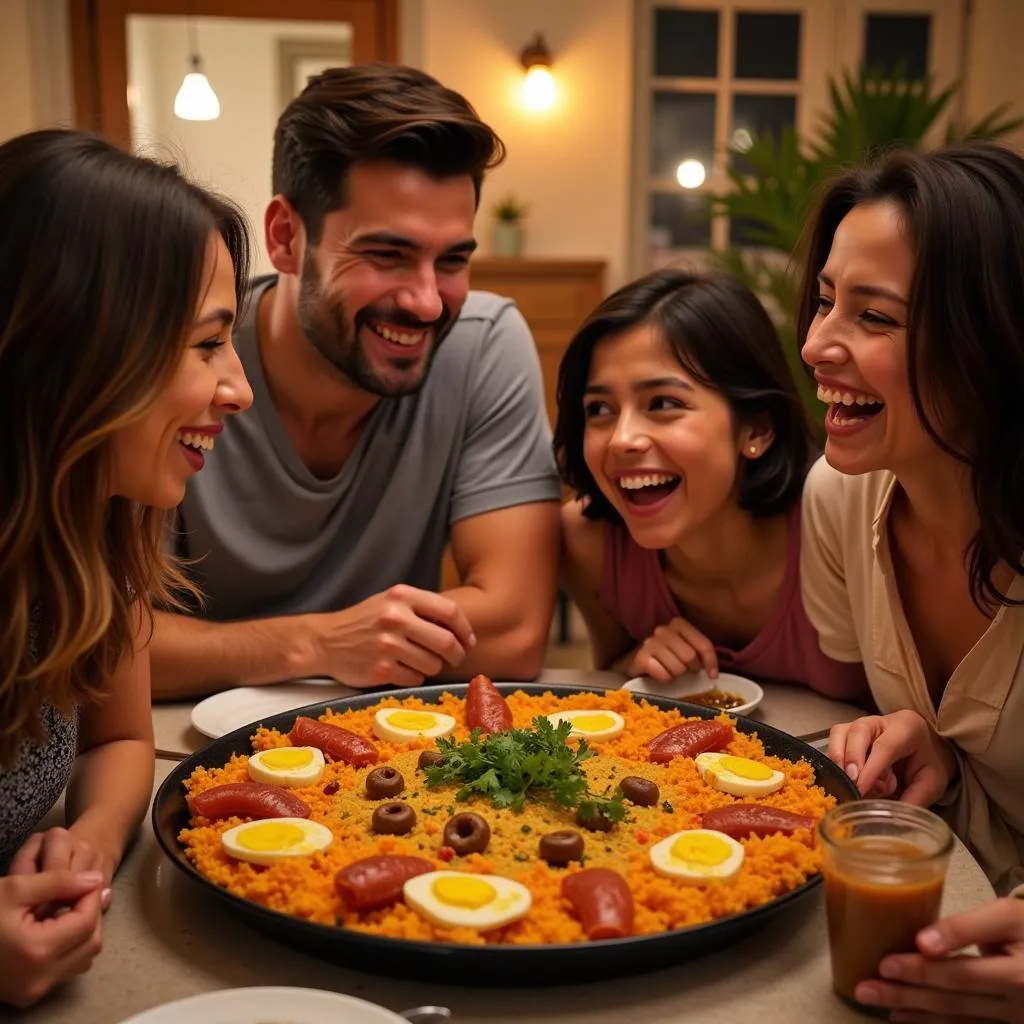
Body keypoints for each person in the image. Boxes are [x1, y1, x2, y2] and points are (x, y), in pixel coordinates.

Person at [150, 63, 561, 700]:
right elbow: (109, 646)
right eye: (387, 255)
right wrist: (317, 643)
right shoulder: (190, 360)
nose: (428, 303)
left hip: (390, 756)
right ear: (286, 237)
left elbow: (514, 630)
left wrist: (223, 650)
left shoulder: (482, 343)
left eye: (452, 260)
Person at [0, 129, 252, 1007]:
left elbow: (119, 739)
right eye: (207, 345)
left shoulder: (100, 530)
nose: (240, 388)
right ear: (79, 350)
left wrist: (93, 844)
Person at [799, 142, 1024, 1020]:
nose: (818, 344)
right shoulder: (838, 499)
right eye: (823, 303)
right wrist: (940, 756)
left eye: (875, 318)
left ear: (993, 339)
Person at [553, 268, 866, 700]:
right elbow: (611, 670)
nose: (622, 439)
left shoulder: (851, 524)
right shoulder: (589, 542)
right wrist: (637, 660)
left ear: (756, 429)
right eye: (600, 409)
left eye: (663, 403)